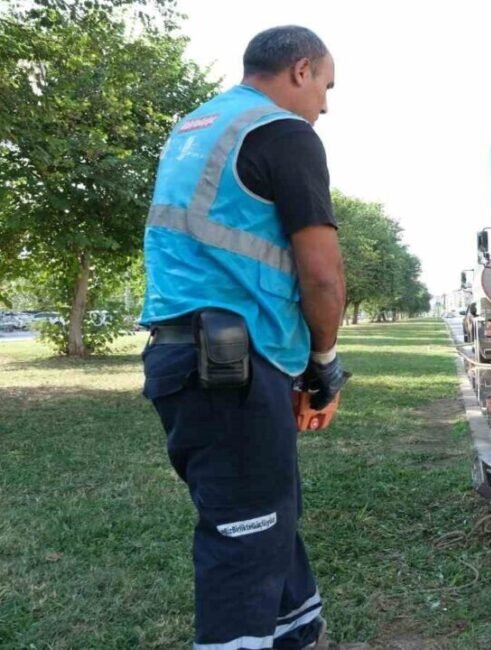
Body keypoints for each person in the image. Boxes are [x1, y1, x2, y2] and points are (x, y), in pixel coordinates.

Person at [139, 25, 348, 648]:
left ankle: (299, 631)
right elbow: (322, 275)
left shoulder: (193, 129)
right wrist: (323, 366)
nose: (326, 106)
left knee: (264, 514)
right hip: (231, 368)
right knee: (246, 535)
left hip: (186, 359)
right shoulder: (283, 133)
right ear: (301, 70)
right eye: (327, 87)